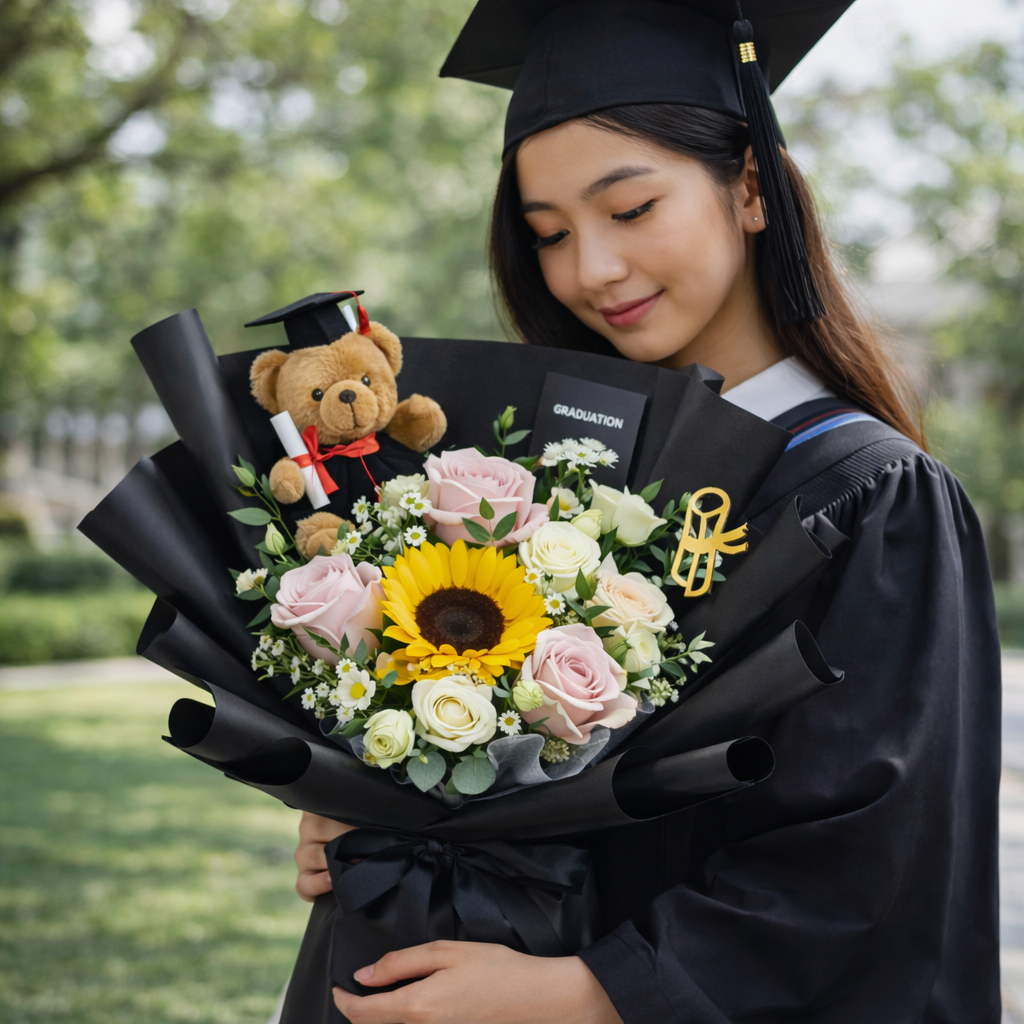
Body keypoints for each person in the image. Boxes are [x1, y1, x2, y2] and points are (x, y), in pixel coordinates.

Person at [287, 2, 1002, 1021]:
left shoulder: (867, 495)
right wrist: (368, 802)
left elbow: (874, 859)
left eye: (629, 211)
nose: (591, 271)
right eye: (548, 235)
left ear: (750, 185)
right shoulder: (522, 484)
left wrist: (590, 992)